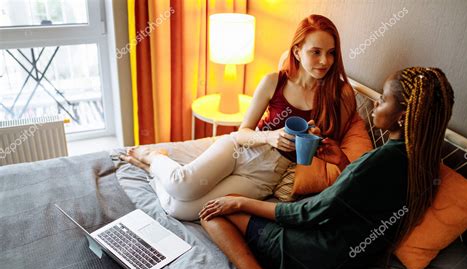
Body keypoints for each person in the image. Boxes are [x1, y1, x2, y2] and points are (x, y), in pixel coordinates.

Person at [198, 67, 454, 269]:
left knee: (214, 211)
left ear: (403, 115)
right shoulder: (424, 166)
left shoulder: (382, 160)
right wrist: (343, 163)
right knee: (252, 218)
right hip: (349, 267)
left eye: (384, 99)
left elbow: (309, 212)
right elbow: (368, 197)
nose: (376, 103)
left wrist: (241, 203)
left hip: (317, 254)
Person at [120, 14, 361, 221]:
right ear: (297, 52)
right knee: (183, 184)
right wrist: (270, 137)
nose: (324, 61)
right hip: (240, 149)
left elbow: (333, 144)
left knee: (181, 208)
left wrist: (317, 138)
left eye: (331, 53)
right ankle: (153, 157)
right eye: (315, 52)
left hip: (265, 174)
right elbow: (243, 131)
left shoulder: (341, 93)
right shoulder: (274, 81)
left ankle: (155, 170)